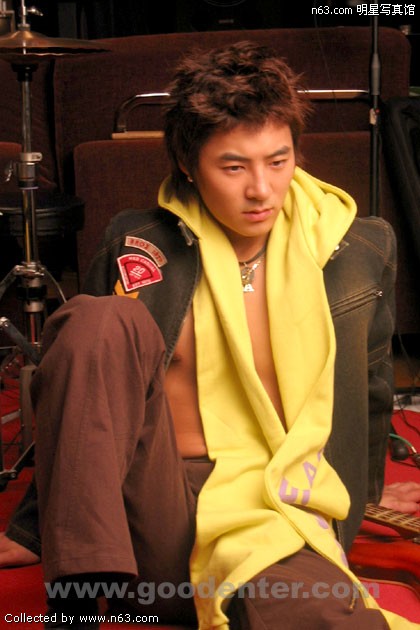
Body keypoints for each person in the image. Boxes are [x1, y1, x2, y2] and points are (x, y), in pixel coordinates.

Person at [1, 41, 419, 630]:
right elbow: (79, 394)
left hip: (274, 515)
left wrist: (366, 494)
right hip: (148, 517)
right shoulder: (137, 242)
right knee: (98, 321)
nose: (262, 189)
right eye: (234, 167)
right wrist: (33, 527)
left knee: (332, 619)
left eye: (278, 161)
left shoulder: (358, 250)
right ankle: (76, 606)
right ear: (187, 164)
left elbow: (371, 393)